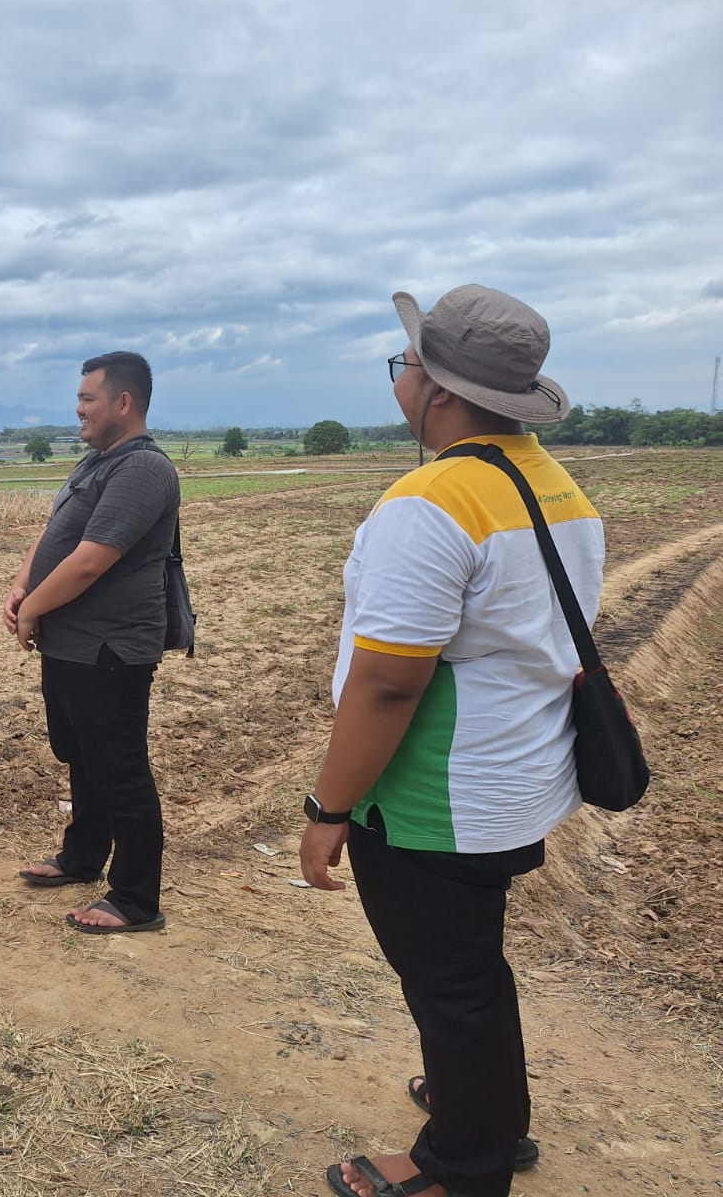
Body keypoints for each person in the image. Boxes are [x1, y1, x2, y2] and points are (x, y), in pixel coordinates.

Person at [300, 286, 601, 1197]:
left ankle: (464, 1163)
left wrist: (329, 807)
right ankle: (487, 1107)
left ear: (435, 386)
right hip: (519, 776)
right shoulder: (550, 481)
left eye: (404, 363)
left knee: (449, 979)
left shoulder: (432, 501)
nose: (400, 378)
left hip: (438, 793)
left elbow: (389, 683)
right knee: (468, 965)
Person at [5, 351, 180, 934]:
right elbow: (55, 533)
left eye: (87, 398)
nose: (78, 409)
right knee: (83, 757)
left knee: (120, 768)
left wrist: (32, 609)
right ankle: (82, 856)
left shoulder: (142, 469)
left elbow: (89, 560)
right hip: (72, 644)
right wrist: (23, 584)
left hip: (110, 648)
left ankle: (135, 897)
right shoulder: (98, 463)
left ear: (123, 402)